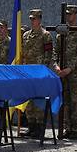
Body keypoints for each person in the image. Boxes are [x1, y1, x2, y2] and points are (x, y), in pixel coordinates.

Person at [53, 5, 77, 140]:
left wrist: (70, 68)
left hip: (75, 73)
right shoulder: (60, 33)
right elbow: (55, 51)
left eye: (71, 14)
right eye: (67, 14)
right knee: (65, 101)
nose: (69, 16)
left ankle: (76, 129)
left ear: (76, 15)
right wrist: (56, 66)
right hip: (62, 72)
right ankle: (67, 127)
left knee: (75, 101)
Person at [21, 9, 54, 137]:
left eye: (34, 19)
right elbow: (23, 53)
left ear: (39, 19)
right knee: (29, 101)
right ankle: (31, 126)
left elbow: (48, 53)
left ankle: (40, 128)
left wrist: (43, 70)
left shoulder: (45, 35)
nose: (32, 21)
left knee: (39, 101)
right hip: (28, 72)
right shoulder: (26, 35)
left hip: (39, 73)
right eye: (31, 19)